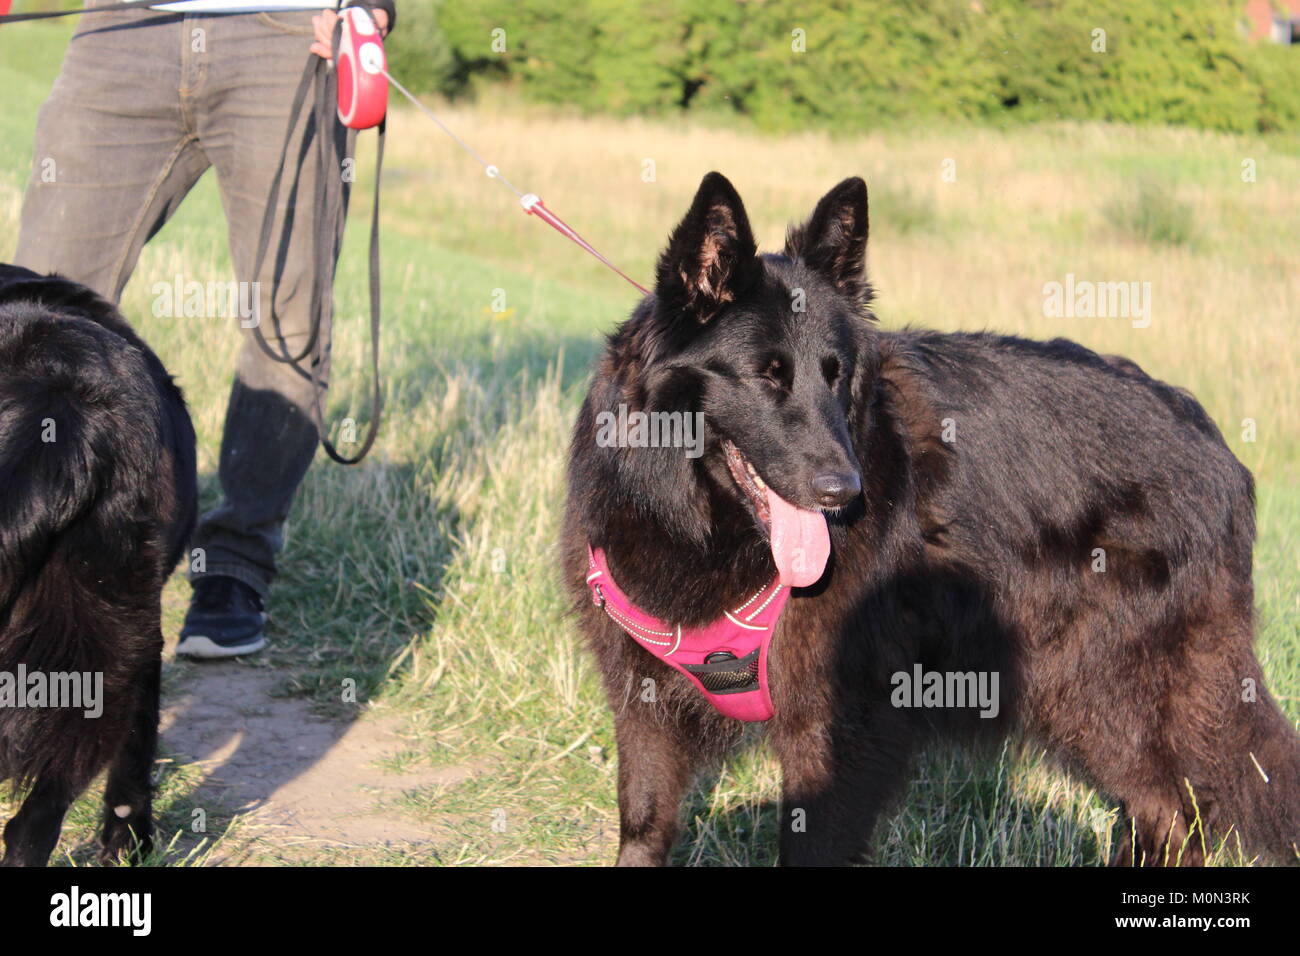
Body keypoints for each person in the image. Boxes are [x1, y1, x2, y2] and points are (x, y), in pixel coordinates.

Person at [15, 0, 397, 657]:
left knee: (288, 317)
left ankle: (233, 568)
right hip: (122, 29)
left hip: (288, 36)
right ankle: (31, 552)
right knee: (35, 315)